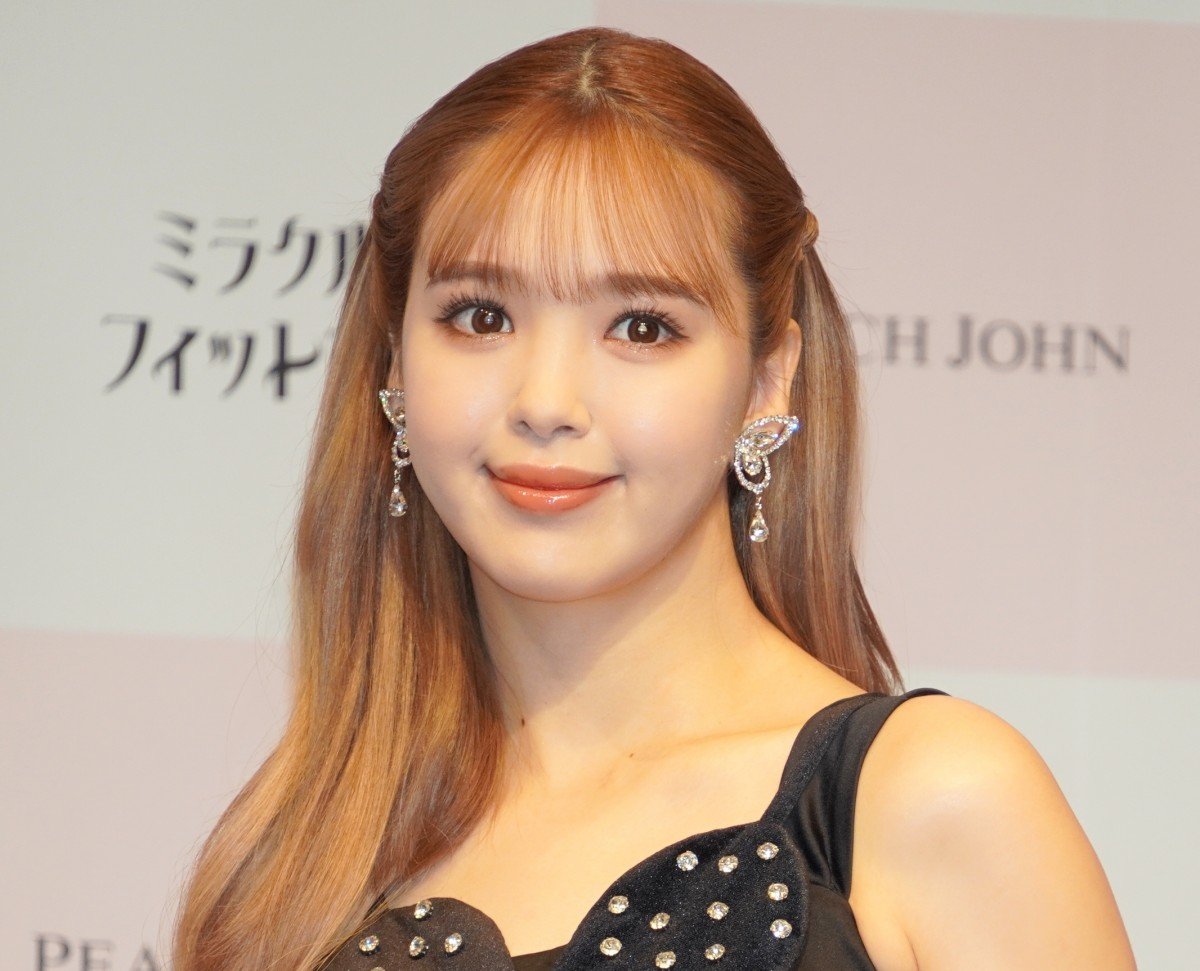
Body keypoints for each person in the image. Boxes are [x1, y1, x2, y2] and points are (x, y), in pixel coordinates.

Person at [171, 26, 1135, 971]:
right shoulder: (296, 872)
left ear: (766, 380)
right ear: (393, 359)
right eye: (481, 316)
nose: (546, 402)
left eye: (641, 327)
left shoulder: (935, 799)